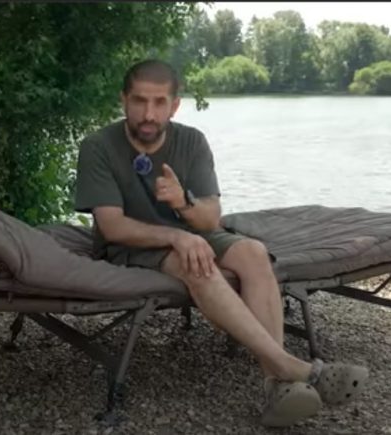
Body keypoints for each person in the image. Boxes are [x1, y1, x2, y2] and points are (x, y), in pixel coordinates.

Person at [73, 59, 369, 427]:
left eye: (159, 102)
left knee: (253, 252)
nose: (149, 114)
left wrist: (182, 203)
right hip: (133, 244)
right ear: (124, 100)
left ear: (174, 105)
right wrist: (177, 236)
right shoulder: (99, 146)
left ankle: (277, 386)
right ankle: (290, 369)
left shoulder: (191, 141)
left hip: (192, 232)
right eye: (139, 101)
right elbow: (112, 226)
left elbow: (211, 218)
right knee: (198, 264)